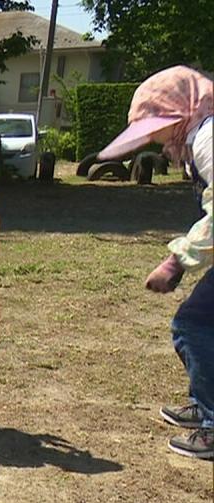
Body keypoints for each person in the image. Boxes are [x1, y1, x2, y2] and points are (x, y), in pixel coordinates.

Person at [98, 65, 212, 460]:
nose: (152, 139)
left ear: (178, 113)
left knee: (193, 325)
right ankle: (204, 402)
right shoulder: (200, 134)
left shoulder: (209, 138)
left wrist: (176, 262)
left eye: (154, 127)